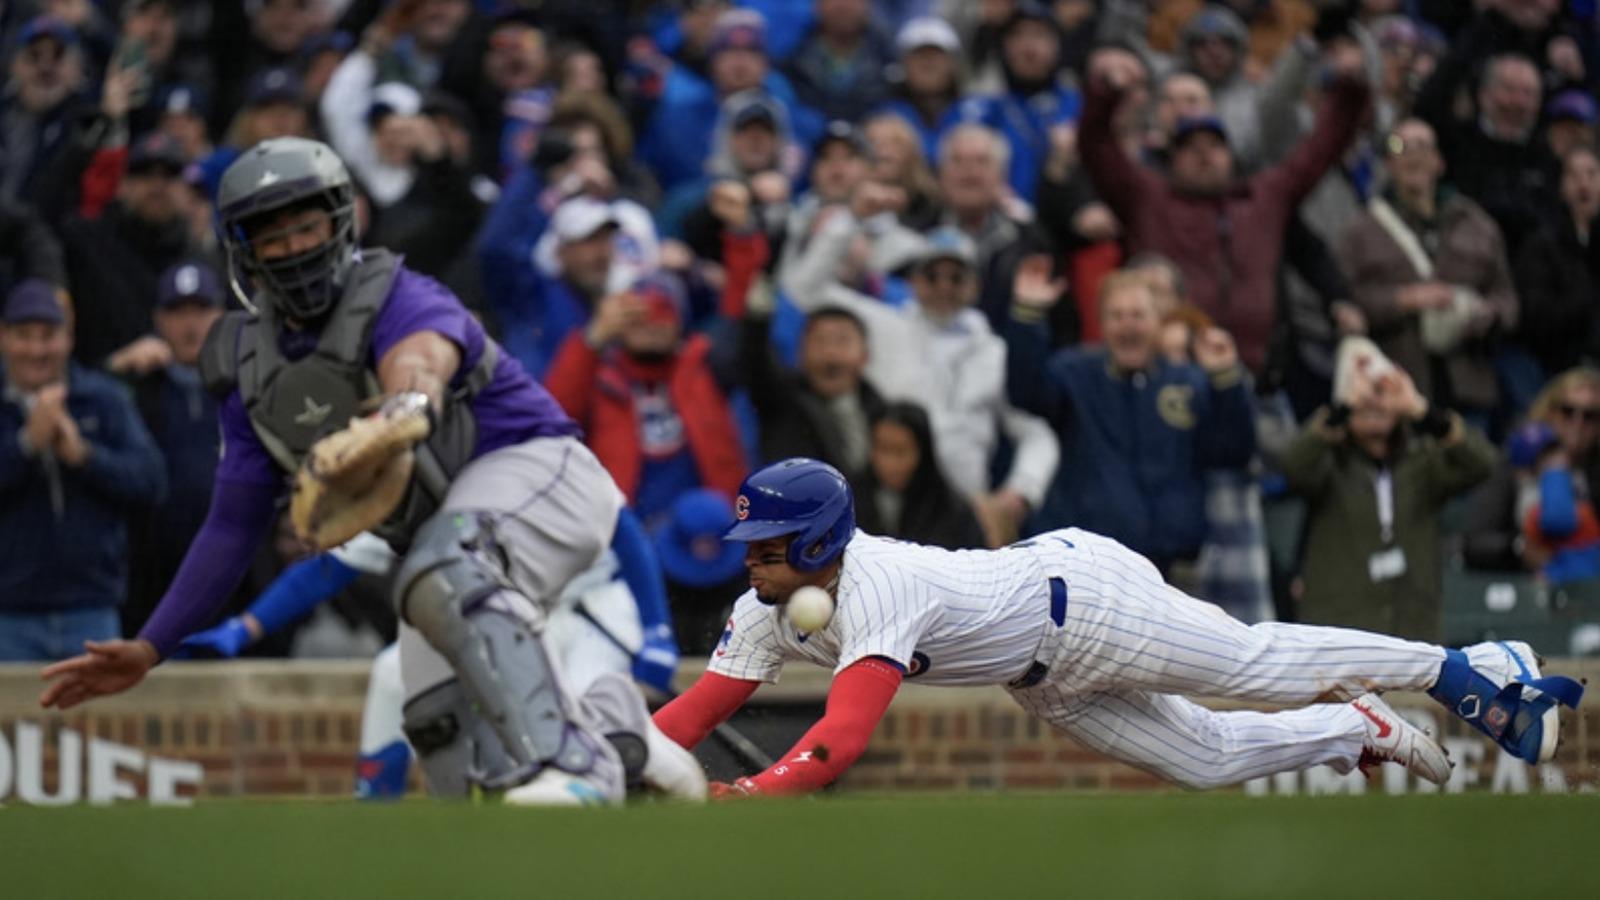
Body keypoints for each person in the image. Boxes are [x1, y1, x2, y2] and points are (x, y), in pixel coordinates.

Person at [36, 138, 700, 807]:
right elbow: (233, 523)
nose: (295, 246)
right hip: (447, 539)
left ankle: (575, 762)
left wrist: (402, 409)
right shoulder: (246, 366)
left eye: (307, 225)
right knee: (438, 728)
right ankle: (620, 730)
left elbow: (423, 362)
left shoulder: (398, 293)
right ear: (241, 249)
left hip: (542, 473)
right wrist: (151, 645)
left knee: (444, 569)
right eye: (273, 235)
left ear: (340, 222)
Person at [653, 457, 1584, 798]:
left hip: (1085, 599)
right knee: (1206, 762)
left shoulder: (881, 580)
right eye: (750, 543)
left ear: (817, 538)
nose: (751, 558)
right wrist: (615, 761)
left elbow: (843, 736)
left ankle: (1459, 665)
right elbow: (692, 715)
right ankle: (1356, 726)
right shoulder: (762, 609)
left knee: (1255, 663)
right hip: (1038, 669)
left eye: (768, 544)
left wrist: (756, 792)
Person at [1006, 267, 1255, 571]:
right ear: (1102, 323)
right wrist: (1027, 318)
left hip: (1171, 566)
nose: (1128, 326)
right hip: (1089, 567)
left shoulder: (1187, 383)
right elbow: (1026, 393)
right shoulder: (1076, 374)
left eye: (1138, 315)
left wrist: (1226, 381)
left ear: (1158, 321)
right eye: (1117, 315)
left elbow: (1232, 451)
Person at [1280, 338, 1496, 641]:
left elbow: (1483, 463)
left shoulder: (1422, 462)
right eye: (1362, 397)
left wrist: (1421, 409)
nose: (1373, 403)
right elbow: (1292, 466)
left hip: (1412, 630)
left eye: (1381, 392)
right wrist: (1340, 409)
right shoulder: (1329, 463)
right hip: (1338, 636)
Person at [0, 279, 166, 661]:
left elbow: (152, 481)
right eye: (24, 335)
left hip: (90, 611)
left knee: (91, 724)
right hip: (8, 615)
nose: (37, 349)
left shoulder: (102, 398)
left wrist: (85, 456)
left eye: (48, 335)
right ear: (5, 338)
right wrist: (26, 445)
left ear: (69, 338)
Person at [1336, 117, 1518, 424]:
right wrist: (1403, 299)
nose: (1413, 153)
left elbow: (1506, 295)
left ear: (1439, 162)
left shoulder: (1475, 223)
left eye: (1424, 145)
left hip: (1468, 381)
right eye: (1401, 146)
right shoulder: (1361, 231)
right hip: (1397, 387)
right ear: (1389, 165)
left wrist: (1487, 313)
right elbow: (1345, 301)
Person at [121, 261, 226, 630]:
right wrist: (116, 370)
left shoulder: (248, 387)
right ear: (158, 320)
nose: (190, 324)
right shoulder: (136, 391)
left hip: (239, 582)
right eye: (177, 311)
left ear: (221, 316)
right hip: (153, 581)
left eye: (201, 309)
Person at [850, 401, 986, 551]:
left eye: (900, 451)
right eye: (882, 449)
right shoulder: (849, 501)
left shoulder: (953, 512)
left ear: (922, 454)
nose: (889, 463)